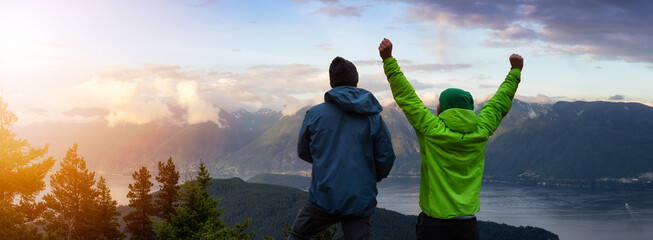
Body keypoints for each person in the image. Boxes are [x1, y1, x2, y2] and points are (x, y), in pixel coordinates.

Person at [377, 38, 523, 240]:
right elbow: (499, 103)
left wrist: (388, 60)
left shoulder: (431, 129)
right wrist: (515, 71)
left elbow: (407, 97)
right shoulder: (481, 130)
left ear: (442, 109)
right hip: (467, 225)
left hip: (434, 225)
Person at [288, 56, 396, 240]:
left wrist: (326, 163)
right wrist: (369, 176)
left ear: (331, 82)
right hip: (360, 199)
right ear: (356, 80)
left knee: (298, 234)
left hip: (323, 196)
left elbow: (303, 151)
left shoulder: (314, 114)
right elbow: (386, 158)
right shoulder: (373, 116)